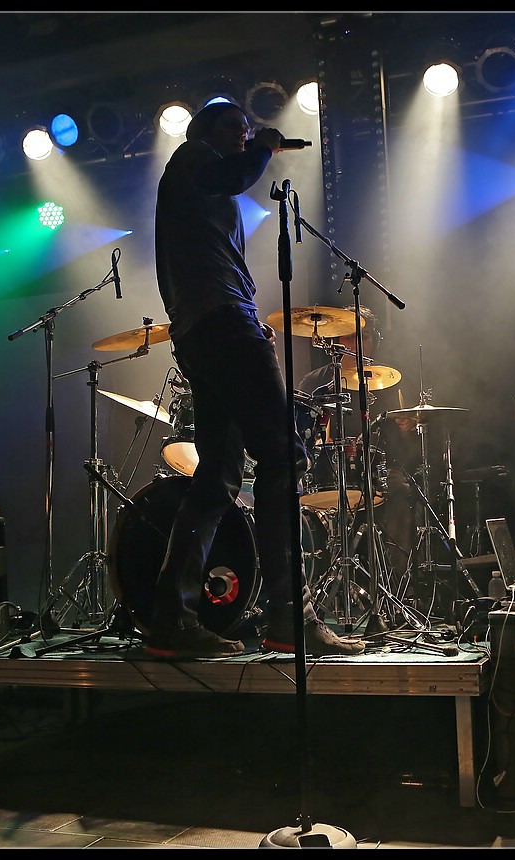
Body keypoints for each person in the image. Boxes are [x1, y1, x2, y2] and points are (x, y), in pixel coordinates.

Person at [147, 100, 364, 659]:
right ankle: (291, 617)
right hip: (221, 324)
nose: (245, 135)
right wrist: (265, 147)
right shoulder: (194, 158)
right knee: (283, 455)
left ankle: (172, 618)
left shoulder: (200, 187)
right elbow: (233, 175)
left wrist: (247, 313)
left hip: (207, 327)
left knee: (217, 479)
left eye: (248, 130)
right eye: (235, 128)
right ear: (204, 131)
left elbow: (216, 257)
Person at [296, 309, 420, 587]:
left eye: (364, 336)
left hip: (377, 472)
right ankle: (317, 585)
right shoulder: (314, 382)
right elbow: (301, 435)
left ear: (375, 340)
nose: (357, 344)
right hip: (327, 473)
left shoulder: (387, 380)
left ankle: (399, 586)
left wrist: (407, 428)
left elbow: (407, 444)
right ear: (336, 339)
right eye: (350, 336)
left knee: (401, 490)